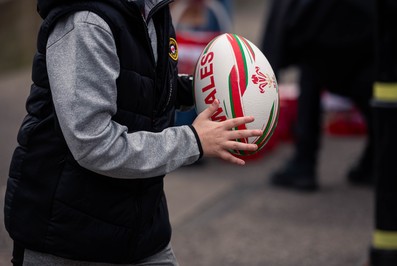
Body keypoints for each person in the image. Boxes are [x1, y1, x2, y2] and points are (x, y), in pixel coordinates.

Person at [4, 0, 262, 265]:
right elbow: (94, 143)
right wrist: (193, 141)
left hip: (141, 228)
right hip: (67, 235)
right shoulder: (87, 22)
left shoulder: (153, 9)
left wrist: (206, 89)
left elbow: (142, 84)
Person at [261, 0, 375, 191]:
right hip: (367, 28)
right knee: (367, 88)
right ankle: (377, 159)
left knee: (312, 70)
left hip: (325, 29)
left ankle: (304, 162)